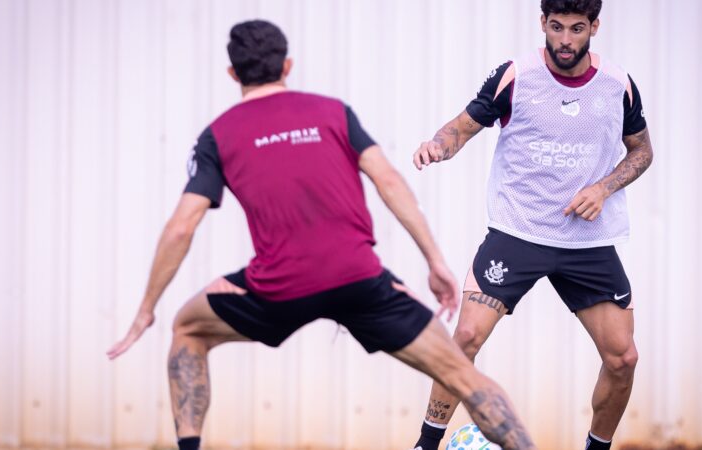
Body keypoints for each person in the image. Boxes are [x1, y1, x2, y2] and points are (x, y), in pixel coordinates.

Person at [107, 20, 535, 450]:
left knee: (187, 328)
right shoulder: (333, 113)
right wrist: (434, 262)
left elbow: (182, 226)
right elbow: (389, 181)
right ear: (287, 65)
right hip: (359, 280)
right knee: (461, 373)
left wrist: (147, 308)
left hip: (277, 287)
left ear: (233, 74)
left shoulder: (217, 136)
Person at [410, 1, 653, 449]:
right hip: (518, 234)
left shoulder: (618, 84)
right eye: (556, 27)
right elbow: (462, 128)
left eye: (577, 29)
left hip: (588, 244)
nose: (564, 40)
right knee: (463, 338)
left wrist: (602, 188)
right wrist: (437, 146)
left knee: (623, 358)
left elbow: (641, 151)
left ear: (594, 27)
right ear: (542, 23)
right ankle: (425, 445)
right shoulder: (516, 75)